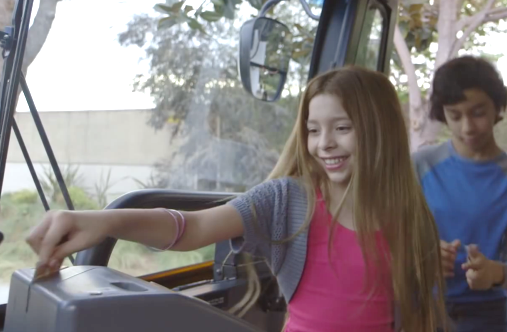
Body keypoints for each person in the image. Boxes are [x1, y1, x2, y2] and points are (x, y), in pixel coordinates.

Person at [26, 66, 447, 332]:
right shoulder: (286, 201)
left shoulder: (411, 215)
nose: (324, 144)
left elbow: (416, 311)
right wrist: (104, 222)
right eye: (313, 130)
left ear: (380, 130)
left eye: (342, 127)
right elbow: (193, 228)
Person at [412, 56, 507, 332]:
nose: (467, 127)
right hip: (423, 311)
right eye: (455, 115)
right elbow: (388, 239)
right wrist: (420, 256)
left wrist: (497, 274)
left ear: (497, 108)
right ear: (443, 114)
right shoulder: (420, 166)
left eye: (477, 112)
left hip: (491, 315)